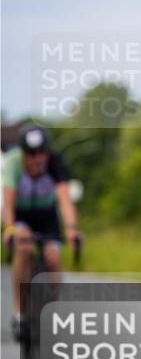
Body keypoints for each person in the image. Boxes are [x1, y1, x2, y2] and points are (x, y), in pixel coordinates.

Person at [2, 124, 80, 341]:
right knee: (24, 247)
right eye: (32, 154)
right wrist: (9, 228)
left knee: (52, 259)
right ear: (23, 153)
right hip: (21, 215)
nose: (38, 159)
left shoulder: (55, 163)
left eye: (42, 153)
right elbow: (7, 202)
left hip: (47, 217)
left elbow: (64, 201)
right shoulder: (12, 162)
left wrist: (72, 229)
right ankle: (19, 312)